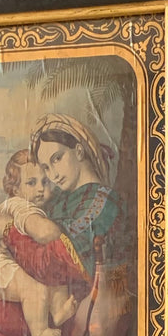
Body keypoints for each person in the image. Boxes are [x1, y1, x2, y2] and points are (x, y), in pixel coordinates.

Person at [0, 152, 77, 336]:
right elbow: (45, 232)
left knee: (52, 271)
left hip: (19, 265)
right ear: (15, 188)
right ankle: (39, 332)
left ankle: (57, 312)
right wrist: (59, 233)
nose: (40, 189)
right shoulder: (19, 206)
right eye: (31, 183)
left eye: (45, 182)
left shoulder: (32, 206)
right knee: (35, 285)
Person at [29, 115, 121, 275]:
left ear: (78, 151)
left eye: (57, 159)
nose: (54, 175)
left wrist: (9, 230)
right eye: (46, 168)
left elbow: (54, 259)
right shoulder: (58, 198)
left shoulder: (104, 201)